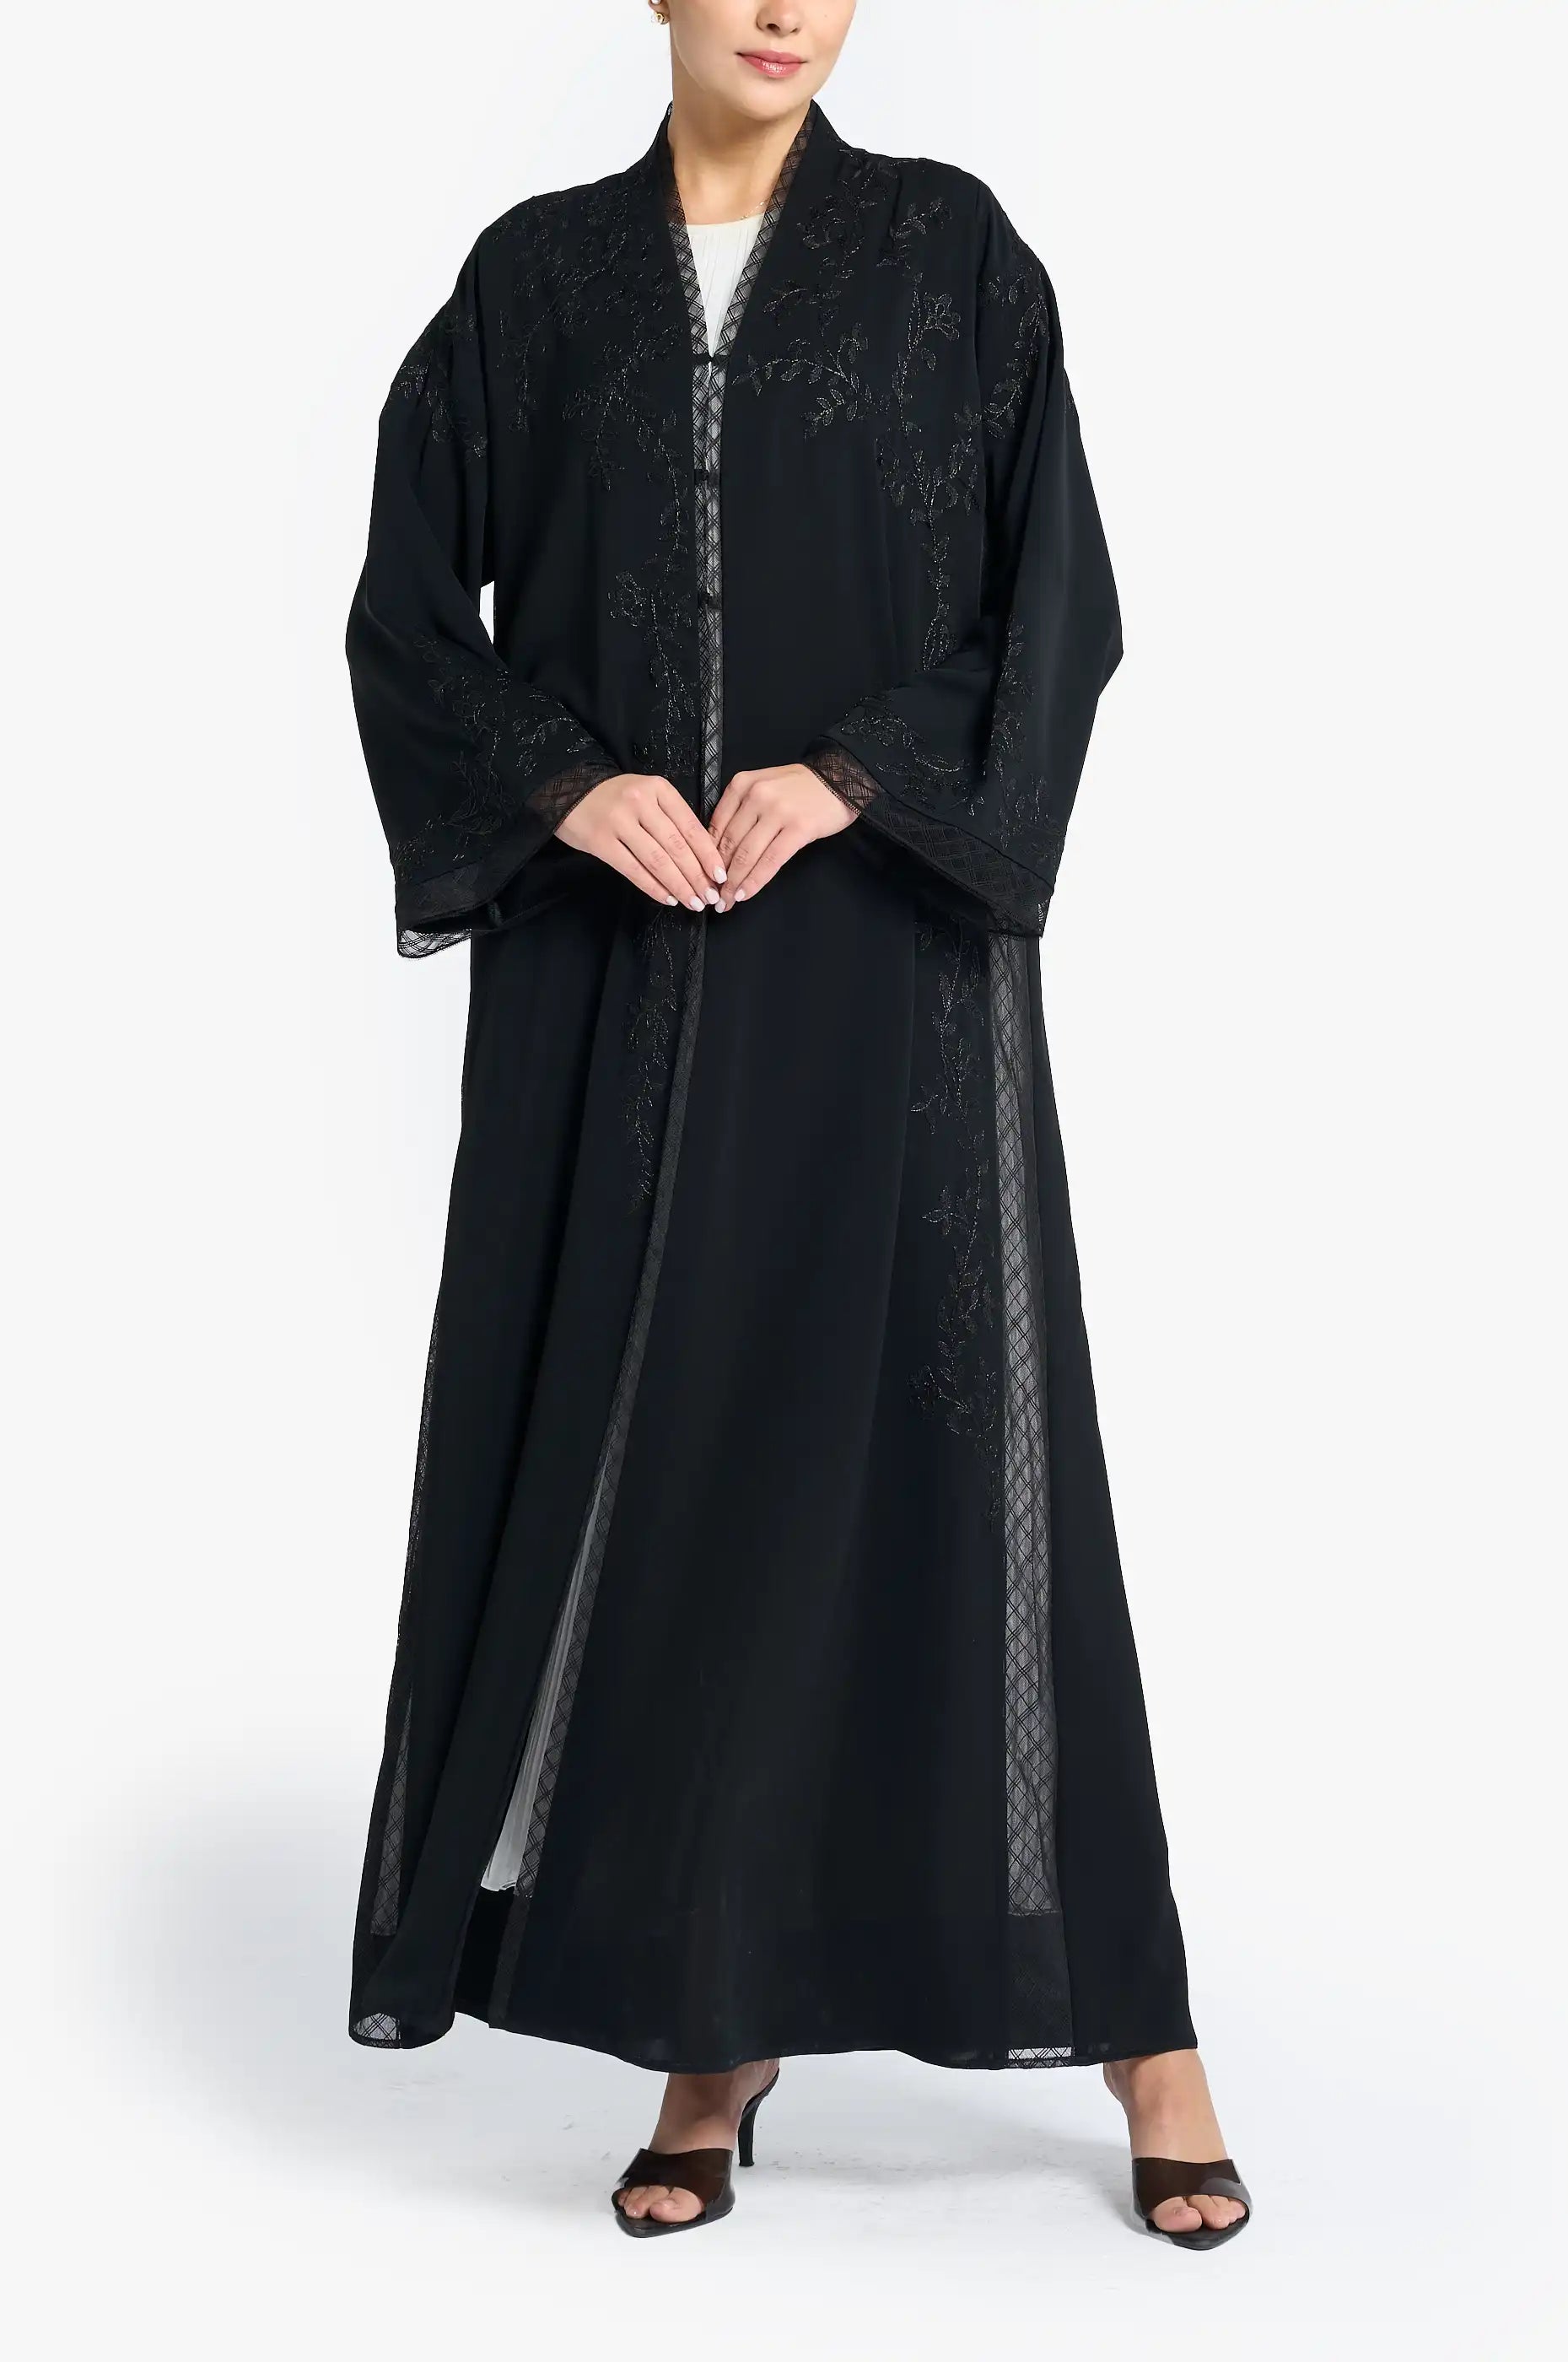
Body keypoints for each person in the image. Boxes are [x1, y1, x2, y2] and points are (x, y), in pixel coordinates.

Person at [344, 0, 1251, 2251]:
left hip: (884, 963)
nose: (784, 8)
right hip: (618, 968)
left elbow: (1057, 602)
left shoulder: (947, 255)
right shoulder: (536, 283)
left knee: (977, 1465)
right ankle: (711, 2026)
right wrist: (570, 785)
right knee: (677, 1467)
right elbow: (406, 615)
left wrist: (854, 777)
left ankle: (1138, 2025)